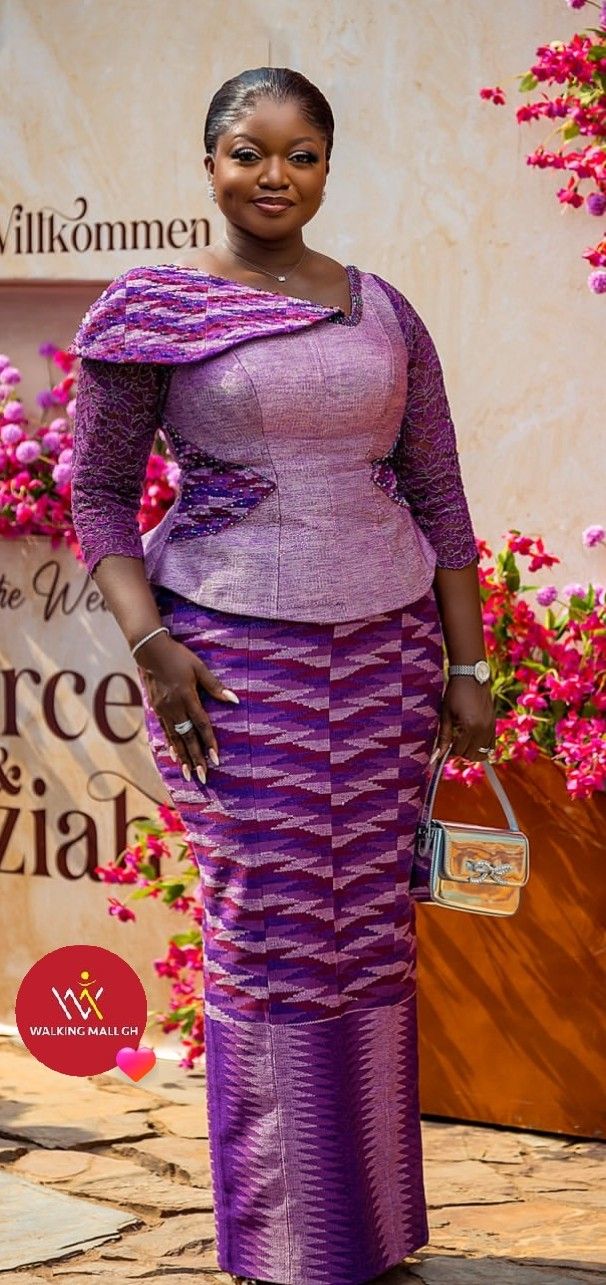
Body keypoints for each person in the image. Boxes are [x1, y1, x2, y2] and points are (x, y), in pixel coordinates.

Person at [69, 66, 495, 1285]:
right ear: (209, 162)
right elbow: (98, 491)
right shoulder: (154, 310)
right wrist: (152, 647)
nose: (275, 176)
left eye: (301, 155)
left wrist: (468, 661)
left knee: (367, 927)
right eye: (249, 152)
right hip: (230, 659)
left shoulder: (382, 310)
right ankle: (286, 1240)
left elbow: (439, 489)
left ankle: (371, 1230)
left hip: (387, 648)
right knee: (270, 923)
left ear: (326, 169)